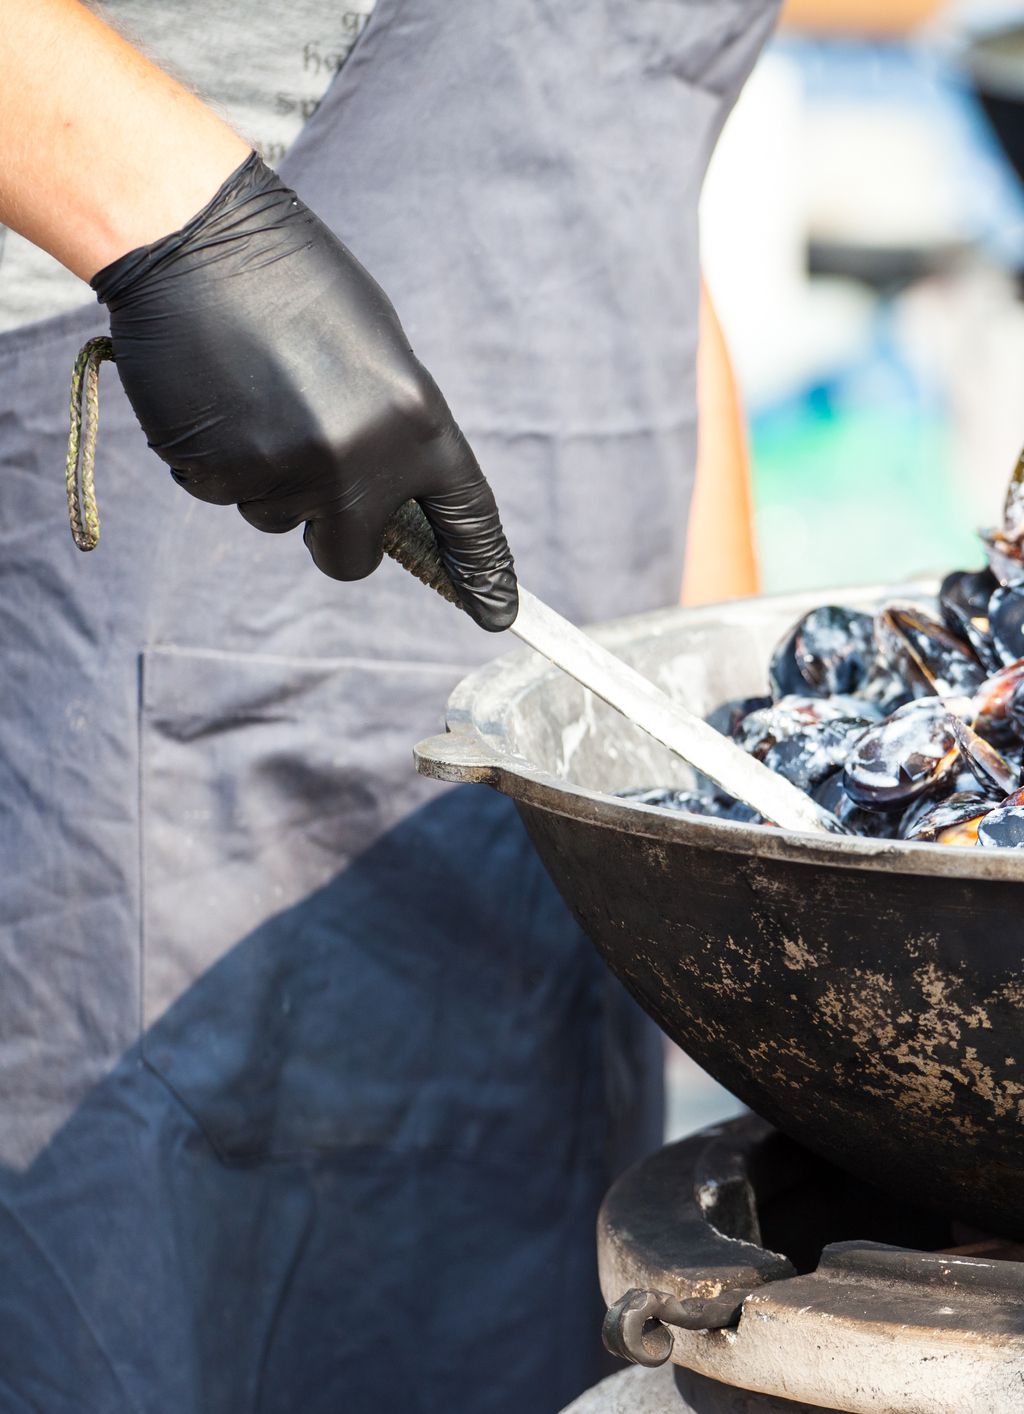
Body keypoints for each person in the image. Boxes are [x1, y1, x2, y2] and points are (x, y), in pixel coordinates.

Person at [0, 0, 771, 1407]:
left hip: (556, 747)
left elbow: (620, 183)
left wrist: (717, 783)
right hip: (143, 599)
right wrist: (174, 219)